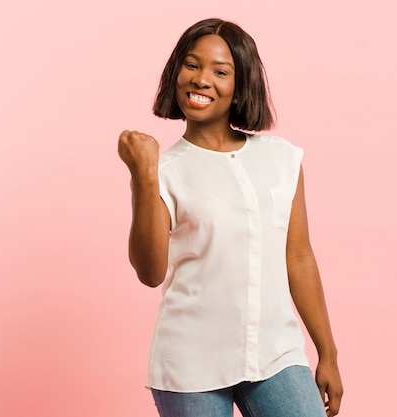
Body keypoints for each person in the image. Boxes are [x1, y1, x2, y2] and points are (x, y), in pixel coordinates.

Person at [117, 18, 343, 417]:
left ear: (241, 85)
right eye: (192, 65)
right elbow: (150, 272)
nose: (202, 79)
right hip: (190, 364)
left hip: (276, 354)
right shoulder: (163, 170)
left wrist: (327, 352)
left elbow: (299, 257)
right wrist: (144, 177)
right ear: (175, 73)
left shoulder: (281, 158)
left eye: (221, 71)